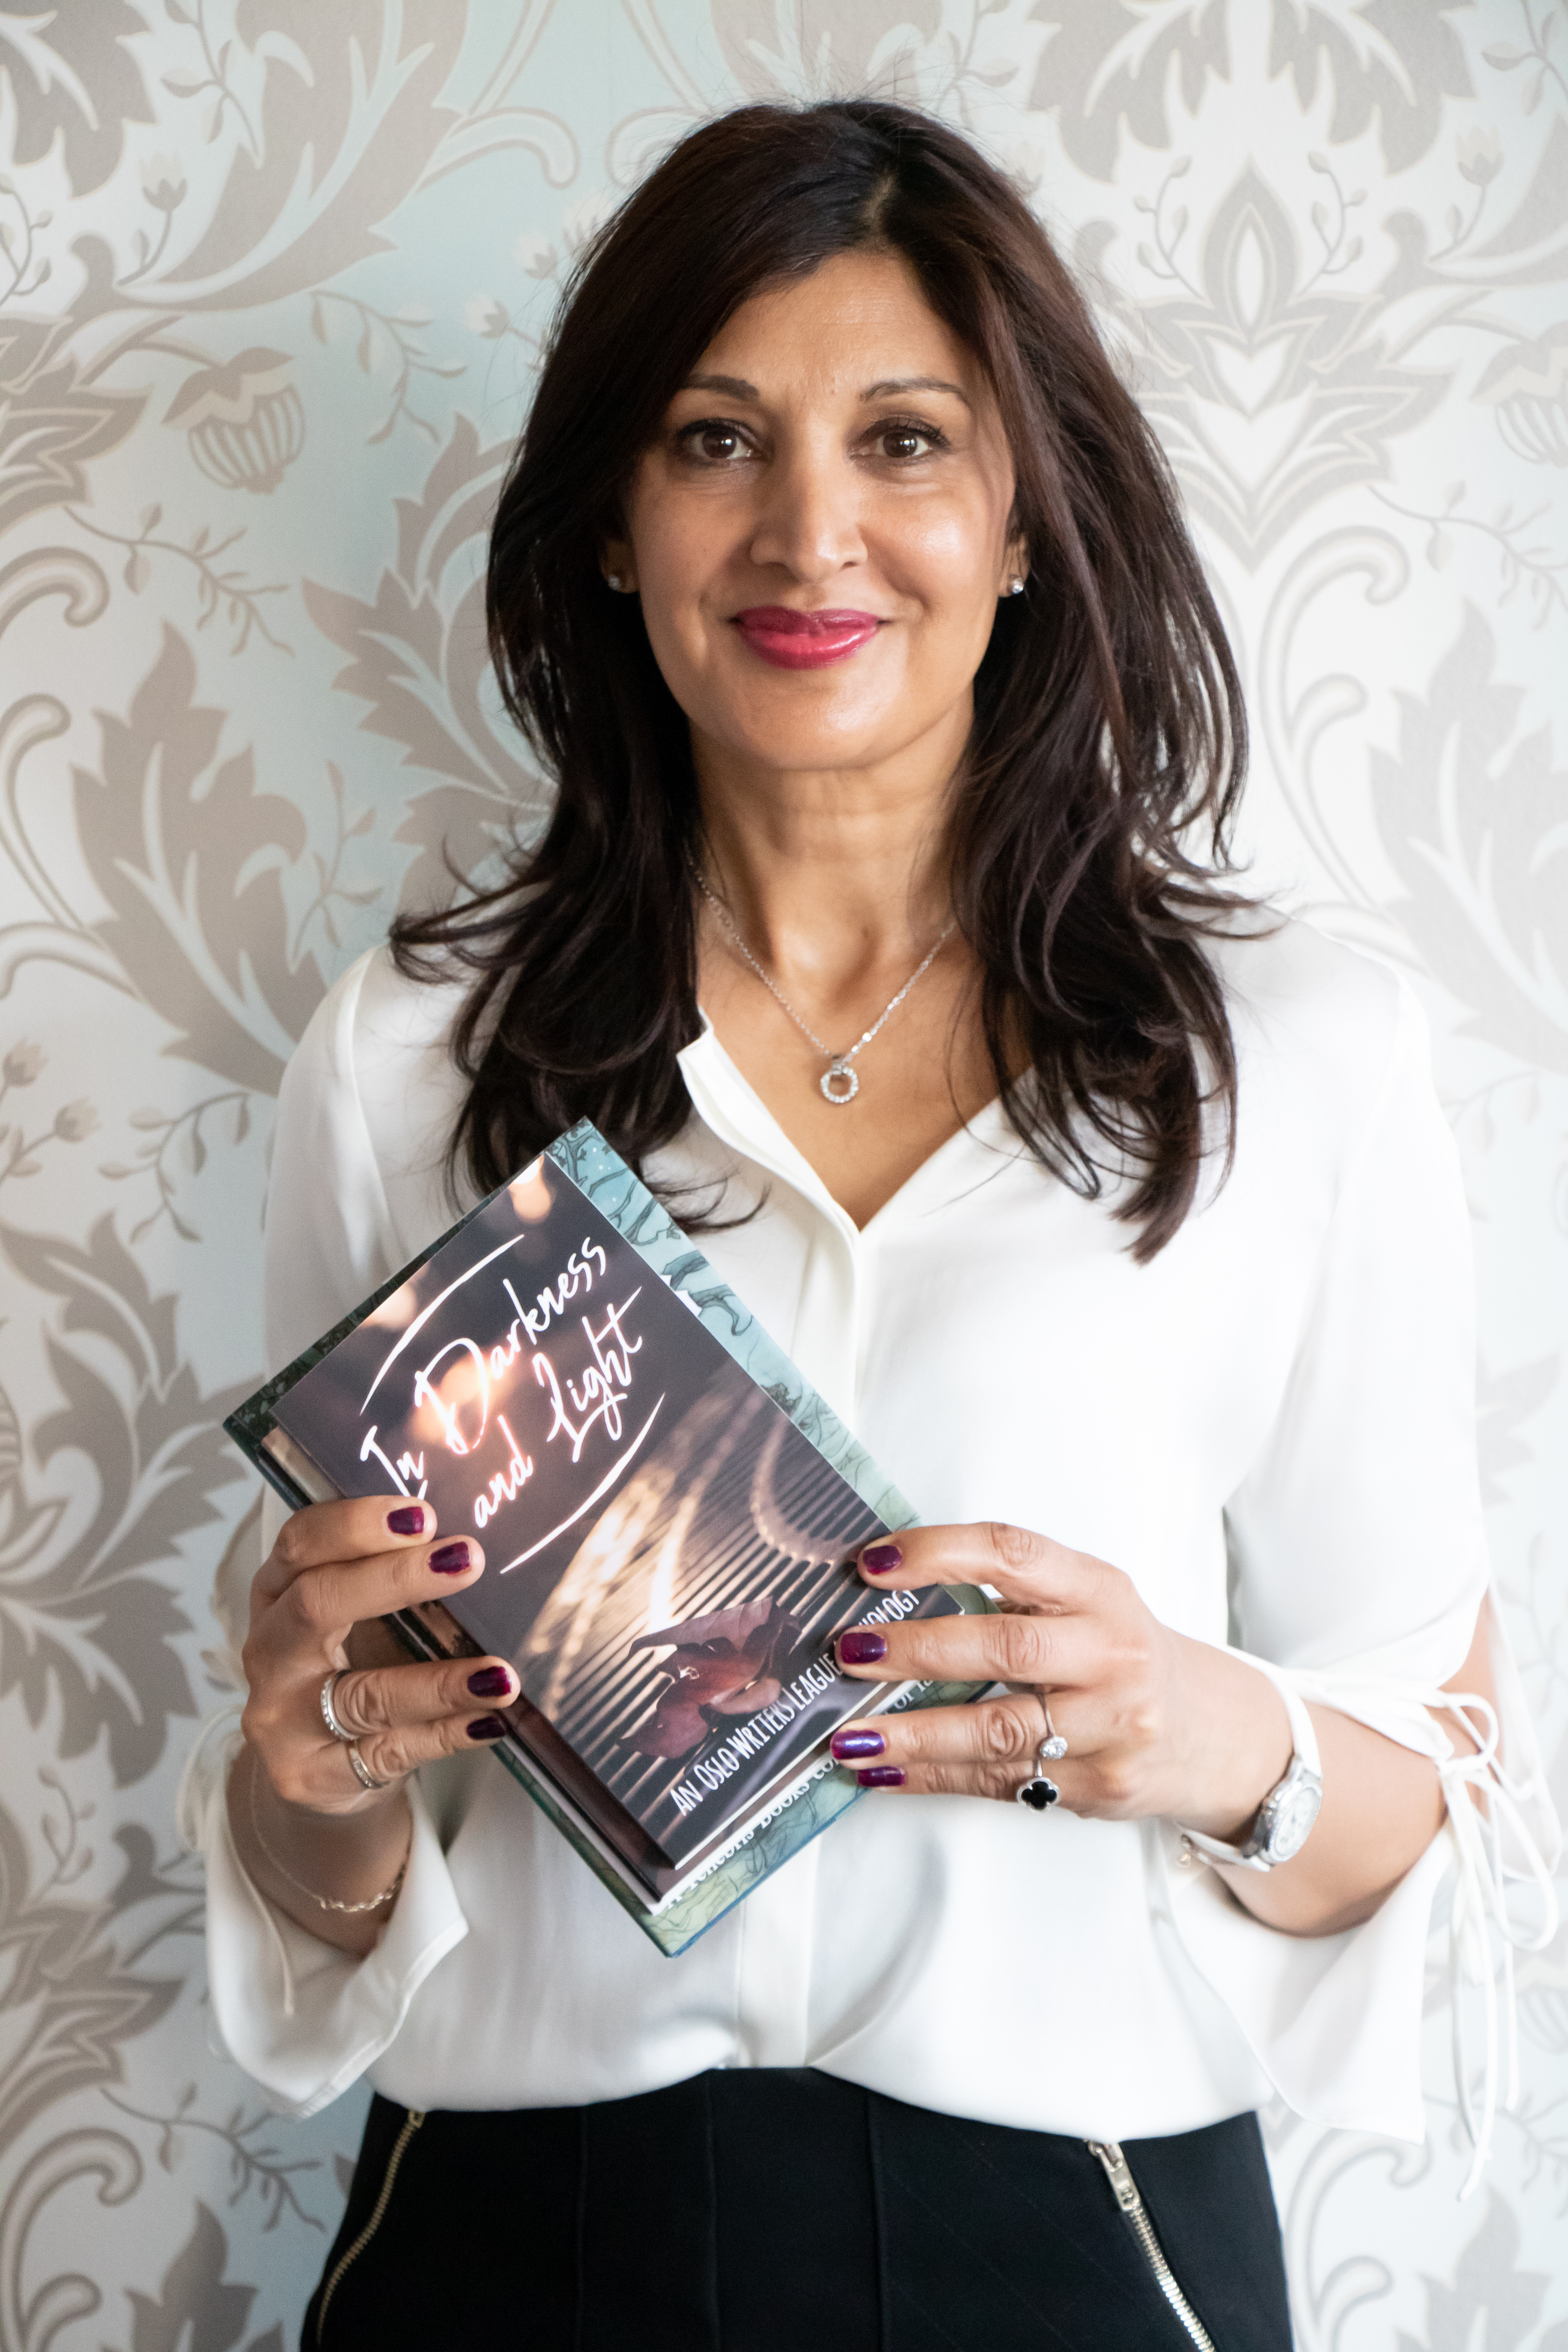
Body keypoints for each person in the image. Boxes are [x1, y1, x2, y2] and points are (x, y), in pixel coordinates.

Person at [187, 100, 1557, 2351]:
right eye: (717, 440)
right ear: (614, 529)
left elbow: (1444, 1791)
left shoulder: (1292, 1054)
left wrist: (1196, 1729)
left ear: (1024, 517)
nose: (811, 530)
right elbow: (342, 1878)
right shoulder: (408, 1057)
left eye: (905, 438)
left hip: (1088, 2239)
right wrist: (308, 1773)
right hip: (510, 2234)